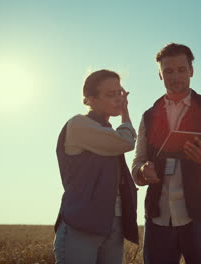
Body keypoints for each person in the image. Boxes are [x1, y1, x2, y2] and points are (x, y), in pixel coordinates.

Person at [132, 43, 201, 264]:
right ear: (160, 75)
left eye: (181, 69)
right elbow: (137, 164)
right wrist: (142, 171)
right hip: (158, 219)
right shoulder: (148, 116)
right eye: (168, 71)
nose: (175, 76)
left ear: (191, 71)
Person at [53, 69, 139, 264]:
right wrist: (125, 113)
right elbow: (127, 141)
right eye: (110, 94)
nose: (118, 98)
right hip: (81, 226)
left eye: (120, 92)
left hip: (114, 223)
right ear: (90, 99)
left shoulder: (107, 132)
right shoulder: (79, 125)